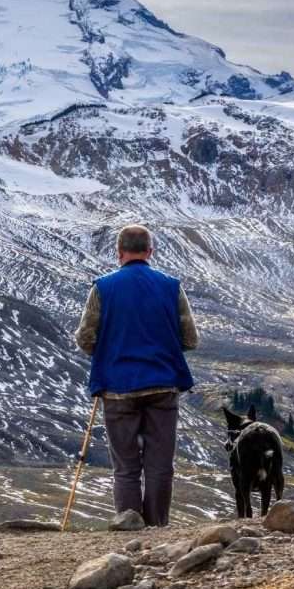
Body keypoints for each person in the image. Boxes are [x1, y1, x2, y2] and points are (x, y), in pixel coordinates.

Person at [74, 224, 199, 526]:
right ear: (150, 252)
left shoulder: (102, 287)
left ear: (119, 253)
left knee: (126, 467)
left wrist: (110, 354)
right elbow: (190, 339)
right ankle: (157, 528)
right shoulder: (171, 286)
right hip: (162, 385)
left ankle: (128, 528)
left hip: (117, 388)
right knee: (160, 465)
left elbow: (85, 337)